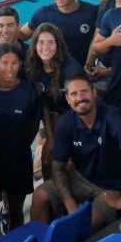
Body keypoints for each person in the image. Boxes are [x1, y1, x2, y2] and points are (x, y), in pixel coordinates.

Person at [31, 74, 121, 230]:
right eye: (74, 94)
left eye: (84, 91)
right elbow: (58, 167)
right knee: (39, 196)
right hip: (82, 178)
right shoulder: (66, 121)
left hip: (111, 187)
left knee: (82, 226)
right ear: (67, 98)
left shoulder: (113, 117)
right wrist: (68, 201)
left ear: (94, 92)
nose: (80, 98)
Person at [0, 43, 40, 231]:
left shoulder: (27, 92)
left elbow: (32, 126)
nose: (10, 68)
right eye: (5, 62)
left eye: (14, 63)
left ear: (20, 64)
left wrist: (20, 145)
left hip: (18, 159)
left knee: (16, 210)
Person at [24, 24, 84, 180]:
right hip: (52, 117)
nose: (46, 47)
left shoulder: (71, 70)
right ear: (35, 45)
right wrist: (50, 137)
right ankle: (53, 196)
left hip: (75, 119)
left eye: (50, 42)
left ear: (58, 44)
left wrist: (61, 139)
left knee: (67, 161)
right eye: (41, 42)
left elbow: (81, 109)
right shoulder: (34, 67)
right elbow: (43, 104)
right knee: (47, 159)